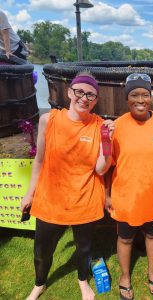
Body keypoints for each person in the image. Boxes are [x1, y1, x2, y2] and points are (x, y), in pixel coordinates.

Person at [20, 72, 115, 300]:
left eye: (90, 94)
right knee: (42, 252)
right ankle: (39, 283)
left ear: (96, 99)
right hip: (50, 201)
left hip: (85, 200)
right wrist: (29, 193)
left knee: (84, 249)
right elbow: (39, 161)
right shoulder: (48, 120)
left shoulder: (99, 126)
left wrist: (107, 142)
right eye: (79, 91)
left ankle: (83, 281)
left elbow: (101, 169)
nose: (84, 98)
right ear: (69, 92)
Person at [105, 73, 153, 300]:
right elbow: (108, 166)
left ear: (150, 96)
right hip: (125, 197)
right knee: (125, 238)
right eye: (134, 94)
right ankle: (125, 276)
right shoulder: (117, 127)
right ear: (127, 98)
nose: (140, 100)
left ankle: (152, 272)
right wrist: (107, 195)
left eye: (145, 94)